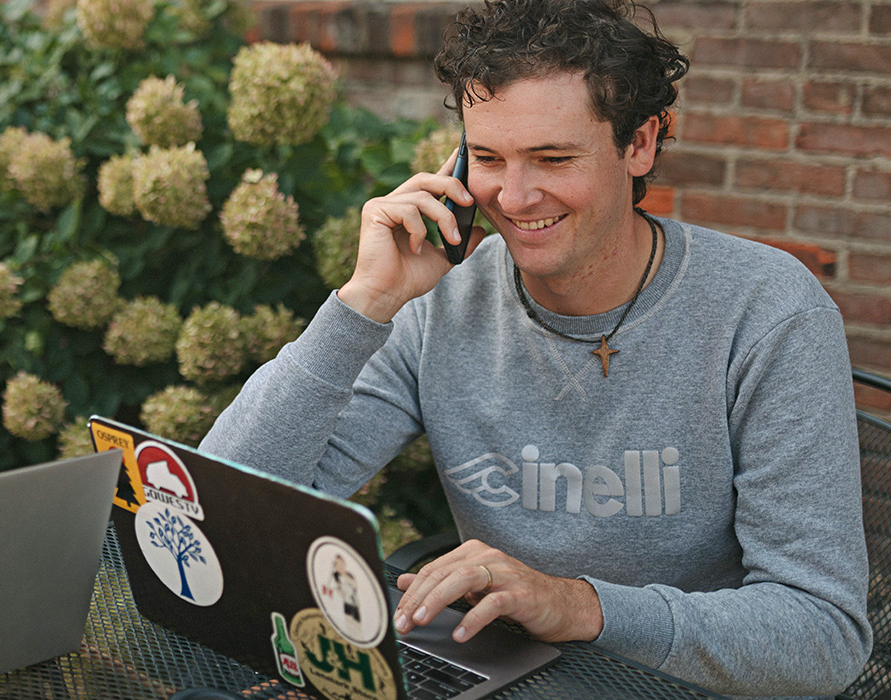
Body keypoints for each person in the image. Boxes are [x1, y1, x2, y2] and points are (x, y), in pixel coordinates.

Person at [200, 0, 871, 695]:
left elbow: (822, 637)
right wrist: (363, 304)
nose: (514, 197)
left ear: (639, 144)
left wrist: (576, 605)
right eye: (488, 158)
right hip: (502, 679)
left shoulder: (768, 311)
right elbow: (220, 513)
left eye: (553, 157)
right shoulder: (437, 300)